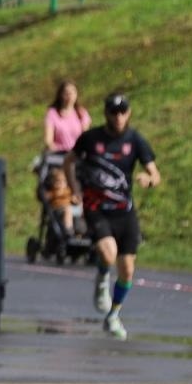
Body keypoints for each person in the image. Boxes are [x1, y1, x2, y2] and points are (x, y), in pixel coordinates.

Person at [64, 93, 160, 341]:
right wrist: (74, 189)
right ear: (106, 114)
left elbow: (155, 173)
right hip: (96, 208)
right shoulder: (91, 139)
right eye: (113, 112)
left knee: (127, 269)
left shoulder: (135, 140)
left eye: (123, 112)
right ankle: (102, 278)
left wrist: (148, 180)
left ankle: (113, 315)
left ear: (128, 113)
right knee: (108, 253)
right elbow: (69, 162)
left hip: (124, 211)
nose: (118, 117)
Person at [44, 79, 91, 153]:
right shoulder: (52, 113)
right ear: (60, 95)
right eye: (66, 93)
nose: (70, 96)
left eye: (72, 92)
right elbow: (48, 141)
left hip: (77, 154)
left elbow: (85, 138)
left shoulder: (82, 113)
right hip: (59, 154)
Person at [42, 167, 76, 244]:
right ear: (53, 183)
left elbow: (74, 198)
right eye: (57, 181)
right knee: (68, 210)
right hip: (57, 209)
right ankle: (68, 230)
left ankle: (80, 232)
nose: (60, 184)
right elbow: (46, 197)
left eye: (63, 182)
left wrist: (74, 199)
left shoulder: (68, 191)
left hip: (70, 208)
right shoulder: (53, 192)